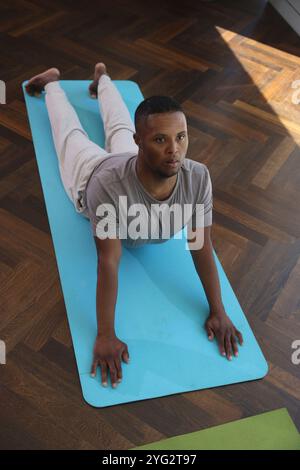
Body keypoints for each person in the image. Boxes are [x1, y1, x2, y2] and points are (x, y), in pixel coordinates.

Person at [25, 63, 243, 389]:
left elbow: (200, 244)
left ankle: (103, 80)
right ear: (141, 141)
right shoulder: (107, 188)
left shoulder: (196, 177)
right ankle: (52, 85)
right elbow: (109, 261)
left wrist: (218, 310)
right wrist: (105, 334)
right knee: (71, 135)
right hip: (92, 172)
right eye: (160, 139)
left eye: (180, 137)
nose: (174, 151)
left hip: (134, 162)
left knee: (119, 125)